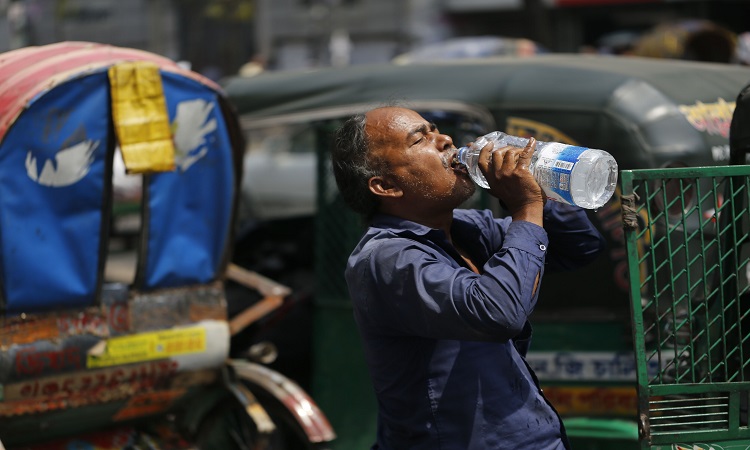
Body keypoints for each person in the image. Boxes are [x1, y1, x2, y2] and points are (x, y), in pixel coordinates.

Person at [331, 106, 605, 449]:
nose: (445, 140)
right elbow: (499, 313)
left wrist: (538, 182)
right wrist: (526, 208)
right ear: (386, 186)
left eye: (435, 131)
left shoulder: (465, 229)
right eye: (420, 139)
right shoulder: (386, 259)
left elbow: (579, 246)